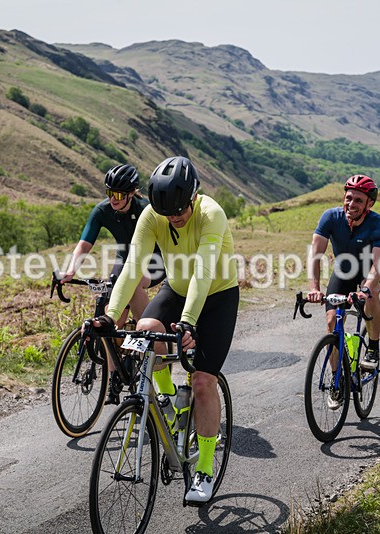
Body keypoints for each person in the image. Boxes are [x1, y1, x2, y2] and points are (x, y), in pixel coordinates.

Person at [88, 156, 238, 505]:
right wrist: (111, 316)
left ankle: (204, 468)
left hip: (216, 296)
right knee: (145, 330)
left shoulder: (211, 214)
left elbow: (203, 272)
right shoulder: (152, 215)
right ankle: (168, 401)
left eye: (180, 210)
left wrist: (188, 322)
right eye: (166, 212)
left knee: (202, 381)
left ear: (194, 197)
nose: (174, 217)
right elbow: (133, 266)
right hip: (177, 288)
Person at [307, 174, 380, 408]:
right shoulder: (330, 217)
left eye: (358, 200)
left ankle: (372, 347)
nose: (351, 204)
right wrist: (314, 288)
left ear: (369, 204)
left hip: (368, 272)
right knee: (332, 321)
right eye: (349, 197)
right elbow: (315, 255)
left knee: (372, 296)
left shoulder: (379, 223)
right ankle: (338, 381)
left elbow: (378, 265)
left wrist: (365, 290)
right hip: (343, 272)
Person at [62, 164, 164, 323]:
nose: (112, 199)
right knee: (113, 306)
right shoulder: (102, 210)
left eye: (118, 195)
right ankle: (115, 337)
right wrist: (70, 270)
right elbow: (84, 245)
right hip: (124, 259)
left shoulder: (146, 209)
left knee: (133, 281)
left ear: (131, 193)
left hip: (154, 258)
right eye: (110, 193)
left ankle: (145, 331)